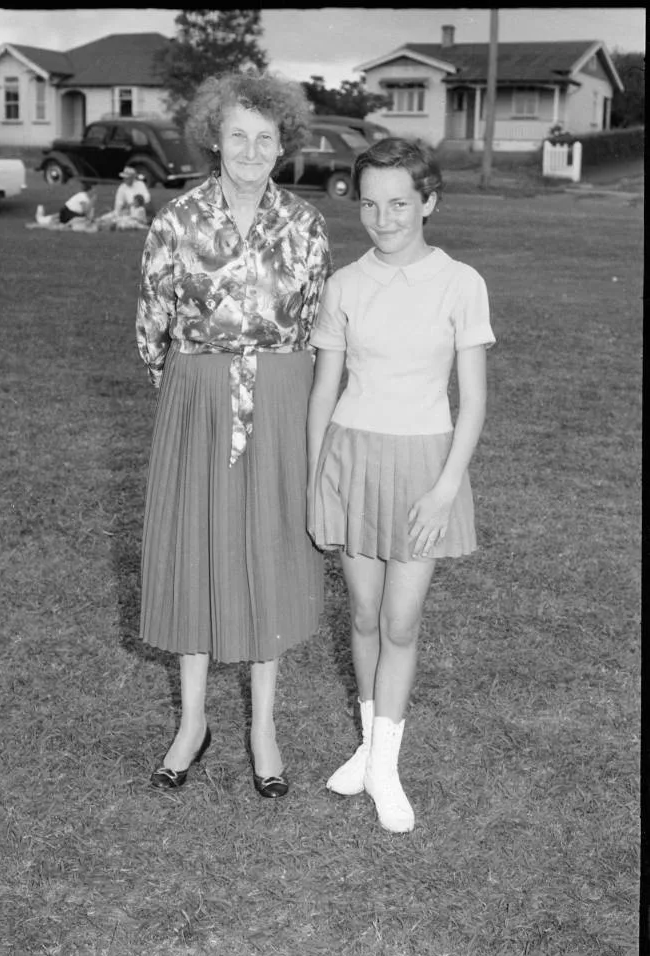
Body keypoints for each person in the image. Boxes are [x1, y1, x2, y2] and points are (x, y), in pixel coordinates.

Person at [136, 71, 331, 798]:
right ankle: (191, 724)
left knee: (269, 548)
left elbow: (315, 326)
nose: (250, 148)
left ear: (283, 145)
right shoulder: (175, 221)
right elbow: (151, 330)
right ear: (213, 138)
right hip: (197, 397)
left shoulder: (305, 226)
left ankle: (262, 728)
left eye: (265, 136)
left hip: (280, 398)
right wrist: (199, 393)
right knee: (195, 545)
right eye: (237, 134)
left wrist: (275, 392)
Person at [307, 138, 495, 833]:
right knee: (360, 616)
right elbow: (323, 391)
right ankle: (369, 746)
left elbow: (470, 401)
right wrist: (313, 481)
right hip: (350, 461)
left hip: (423, 467)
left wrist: (446, 488)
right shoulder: (343, 285)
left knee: (399, 621)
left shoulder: (459, 282)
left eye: (399, 204)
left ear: (427, 204)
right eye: (370, 204)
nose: (383, 218)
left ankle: (384, 766)